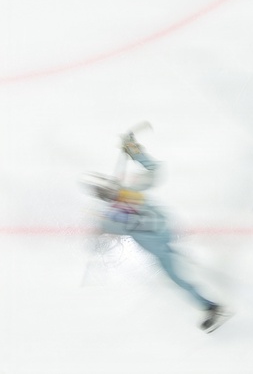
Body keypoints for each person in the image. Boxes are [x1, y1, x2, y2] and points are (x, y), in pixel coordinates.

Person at [82, 130, 228, 332]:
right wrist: (135, 152)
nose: (114, 195)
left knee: (176, 276)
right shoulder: (116, 210)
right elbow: (154, 170)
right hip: (164, 241)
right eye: (107, 193)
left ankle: (211, 306)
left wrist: (136, 152)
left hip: (165, 239)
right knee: (173, 267)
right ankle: (206, 297)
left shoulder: (122, 201)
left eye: (110, 190)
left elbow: (155, 170)